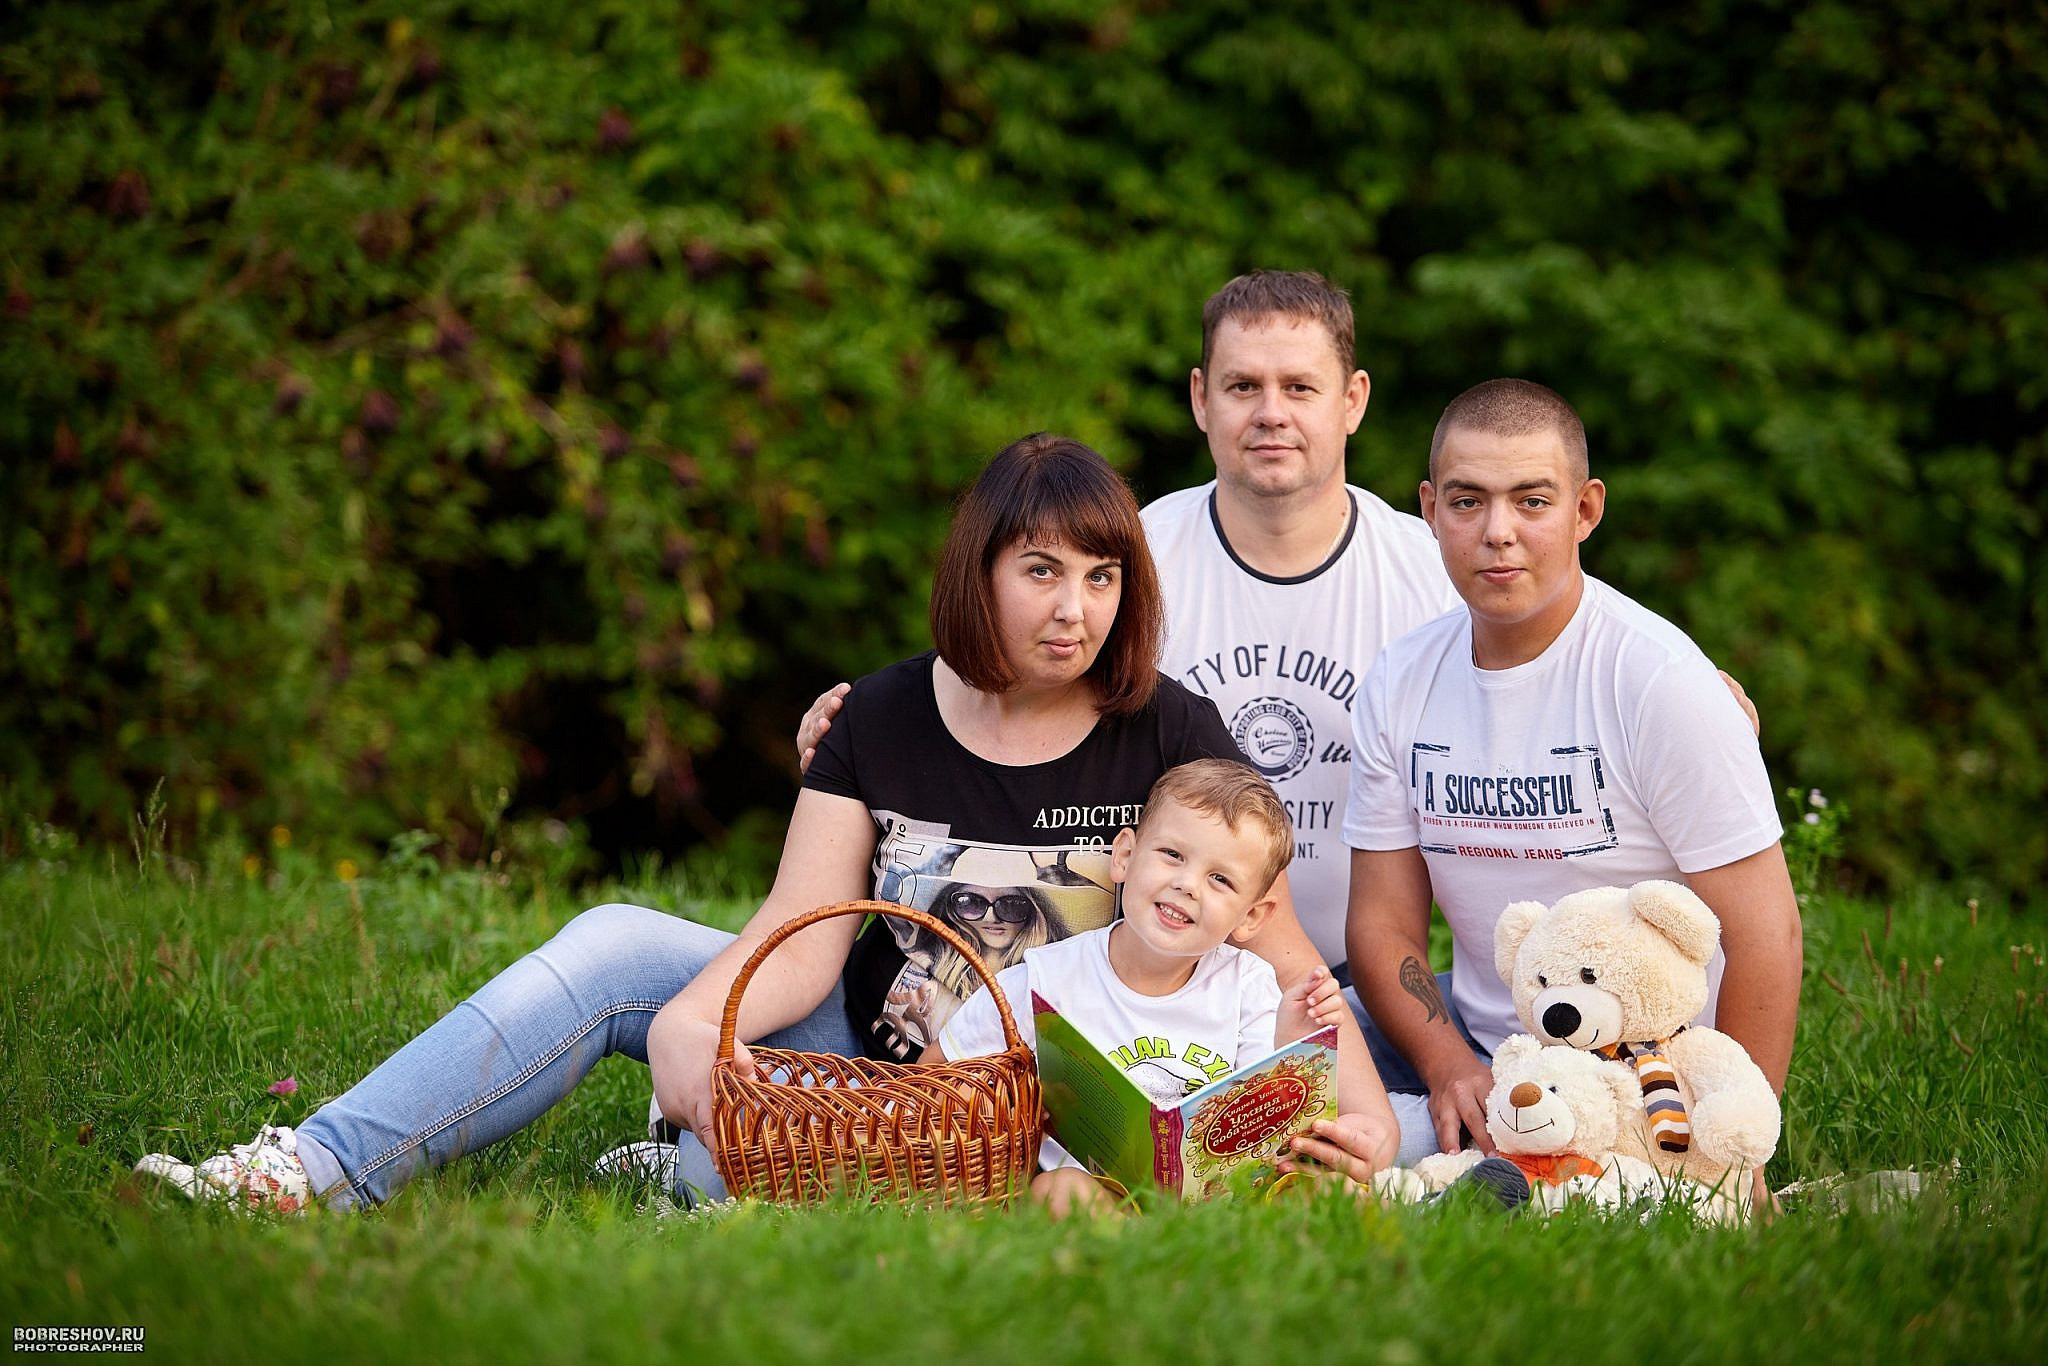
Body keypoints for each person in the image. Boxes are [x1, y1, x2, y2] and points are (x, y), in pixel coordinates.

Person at [132, 433, 1382, 1211]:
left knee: (728, 1174)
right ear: (977, 571)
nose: (1075, 608)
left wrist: (1364, 1111)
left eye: (1102, 575)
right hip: (862, 1054)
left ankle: (700, 1166)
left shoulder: (1168, 727)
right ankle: (304, 1173)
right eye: (1041, 570)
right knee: (620, 939)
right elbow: (799, 928)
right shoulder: (883, 714)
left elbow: (1269, 948)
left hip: (1044, 1117)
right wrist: (695, 1016)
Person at [1286, 378, 1802, 1189]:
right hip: (1483, 1043)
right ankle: (1429, 1142)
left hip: (1641, 1075)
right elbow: (1383, 929)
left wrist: (1732, 1157)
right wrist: (1451, 1063)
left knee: (1542, 1177)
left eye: (1532, 502)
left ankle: (1458, 1165)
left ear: (1586, 510)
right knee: (1269, 1057)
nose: (1498, 533)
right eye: (1467, 502)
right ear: (1429, 508)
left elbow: (1768, 935)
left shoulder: (1659, 682)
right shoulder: (1403, 678)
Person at [932, 759, 1345, 1215]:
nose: (1187, 885)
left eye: (1220, 879)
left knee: (1330, 1191)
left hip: (1219, 1202)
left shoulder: (1248, 986)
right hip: (1099, 1197)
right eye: (1172, 855)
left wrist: (1292, 1044)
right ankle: (1150, 1265)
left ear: (1250, 917)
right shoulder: (1043, 981)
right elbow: (933, 1084)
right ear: (1124, 855)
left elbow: (1272, 1137)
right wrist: (1011, 1117)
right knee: (1060, 1191)